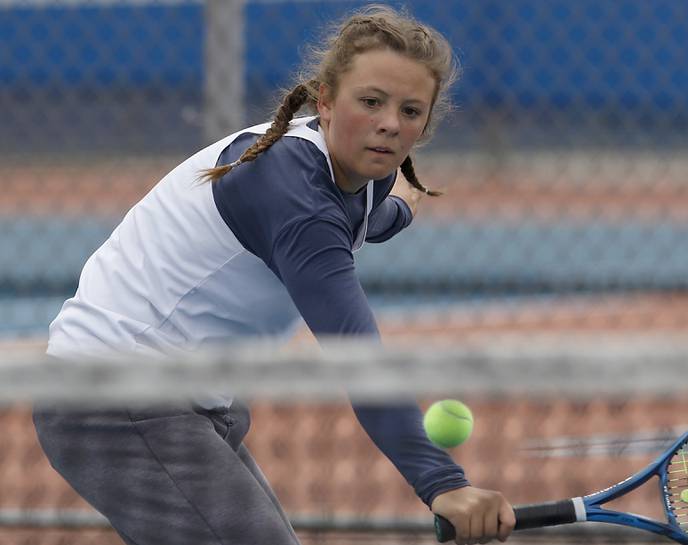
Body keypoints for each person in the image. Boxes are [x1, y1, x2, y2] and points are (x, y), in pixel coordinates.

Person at [33, 5, 516, 545]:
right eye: (371, 102)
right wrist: (442, 482)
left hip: (190, 400)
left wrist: (401, 209)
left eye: (410, 111)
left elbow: (367, 219)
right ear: (326, 102)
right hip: (114, 398)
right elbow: (356, 353)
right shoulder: (296, 194)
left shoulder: (360, 170)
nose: (389, 123)